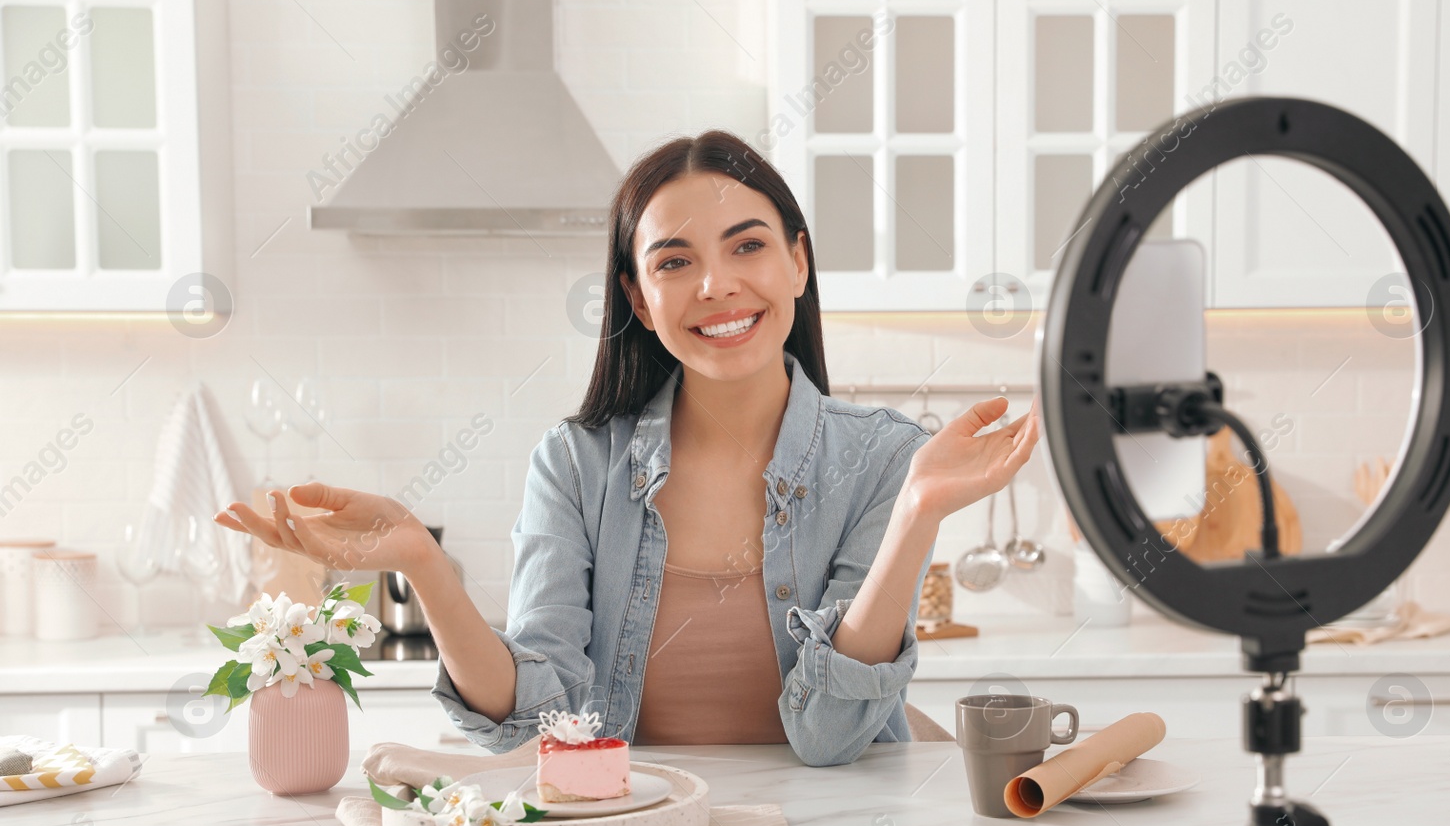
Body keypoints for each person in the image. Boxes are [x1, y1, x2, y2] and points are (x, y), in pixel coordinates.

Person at [215, 129, 1039, 766]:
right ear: (640, 302)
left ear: (797, 262)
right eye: (675, 261)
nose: (715, 284)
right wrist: (421, 565)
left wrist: (919, 512)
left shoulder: (884, 460)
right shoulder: (575, 465)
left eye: (747, 245)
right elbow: (541, 724)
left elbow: (831, 738)